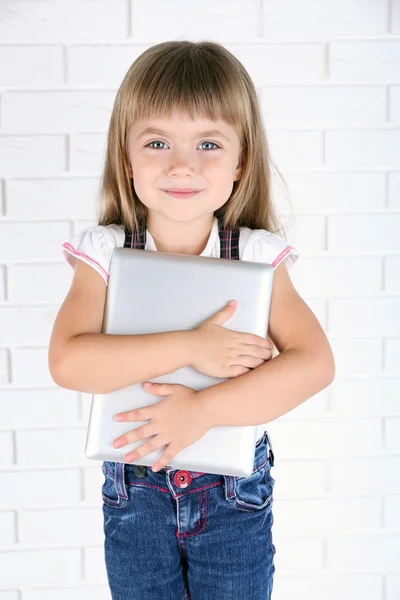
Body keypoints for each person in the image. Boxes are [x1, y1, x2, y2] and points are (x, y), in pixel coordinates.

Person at [48, 40, 335, 600]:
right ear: (126, 160)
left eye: (209, 143)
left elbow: (314, 364)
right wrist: (190, 347)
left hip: (232, 499)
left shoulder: (255, 255)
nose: (183, 164)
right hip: (136, 496)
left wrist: (203, 410)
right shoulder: (105, 253)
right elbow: (69, 360)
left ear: (240, 161)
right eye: (157, 143)